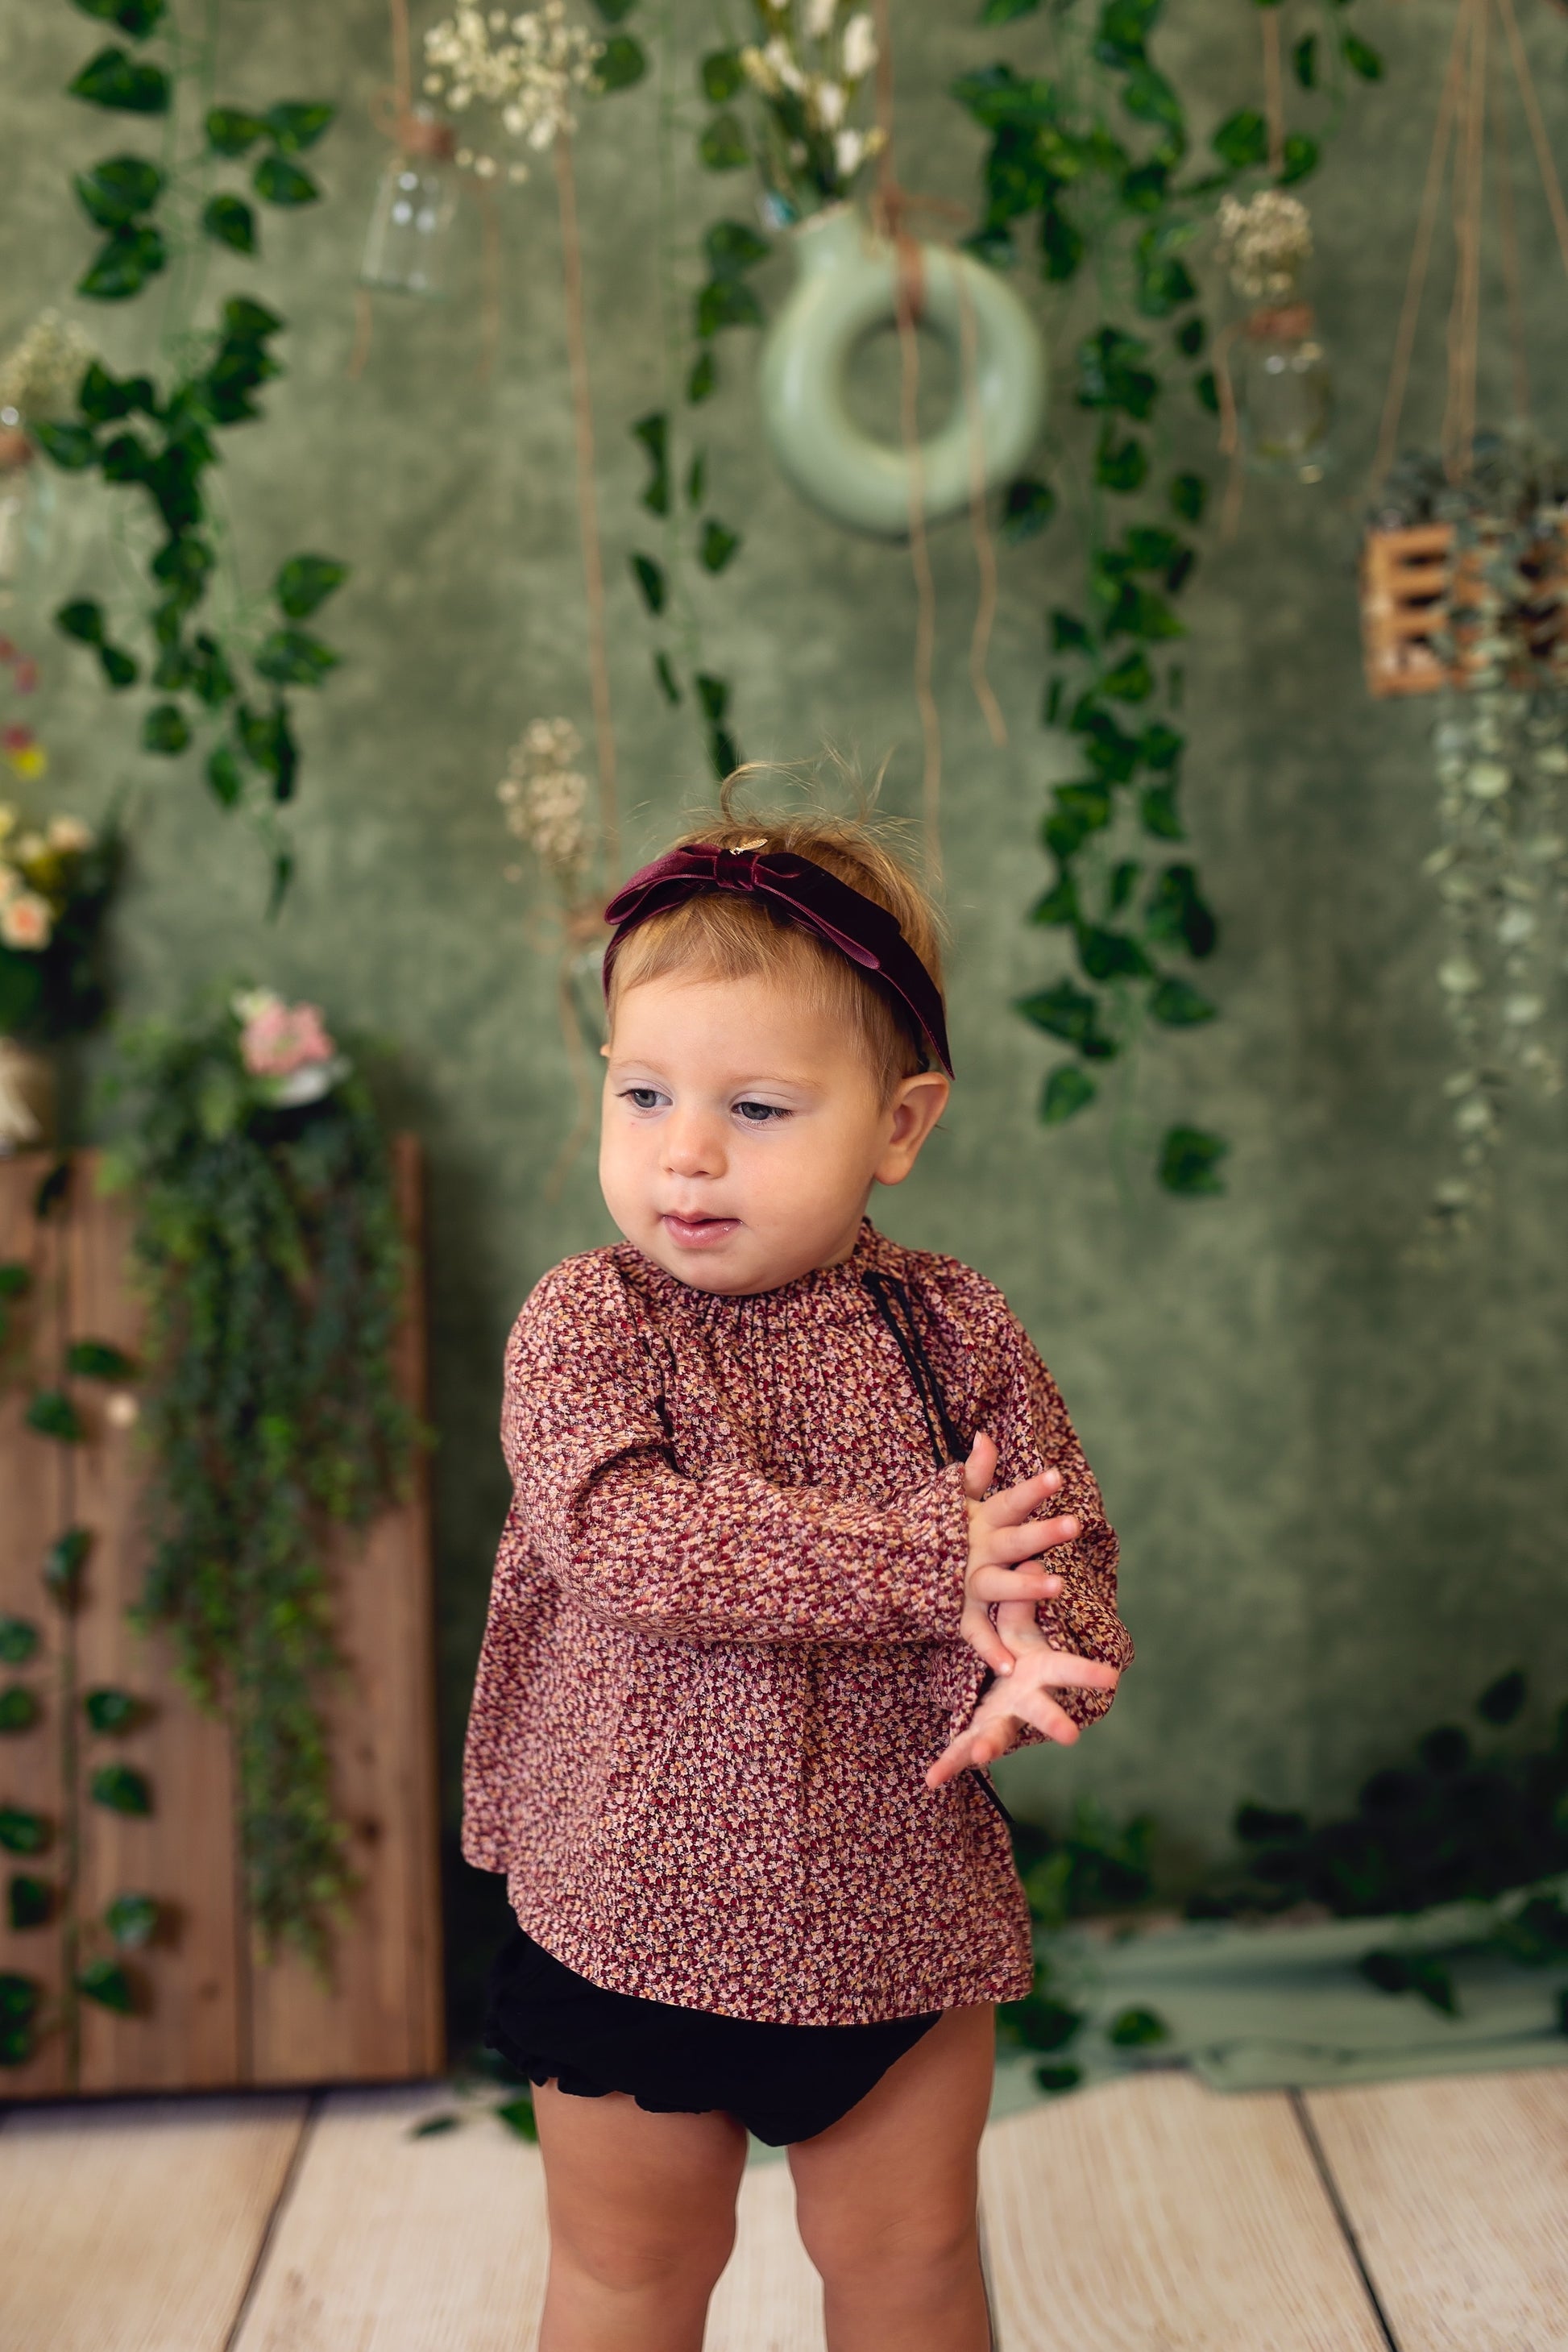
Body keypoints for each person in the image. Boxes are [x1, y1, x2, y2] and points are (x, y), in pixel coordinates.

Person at [463, 789, 1131, 2352]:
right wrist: (926, 1558)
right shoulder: (589, 1322)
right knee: (629, 2271)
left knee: (910, 2266)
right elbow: (626, 1539)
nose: (685, 1152)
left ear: (898, 1123)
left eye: (757, 1109)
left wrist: (1042, 1644)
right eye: (641, 1093)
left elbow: (1056, 1536)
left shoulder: (952, 1328)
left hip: (890, 1898)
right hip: (627, 1896)